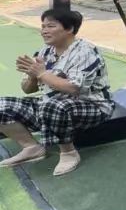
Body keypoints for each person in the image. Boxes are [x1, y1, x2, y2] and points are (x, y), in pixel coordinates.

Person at [0, 10, 114, 176]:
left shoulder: (85, 51)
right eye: (43, 26)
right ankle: (31, 148)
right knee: (2, 106)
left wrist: (41, 73)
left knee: (52, 106)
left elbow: (73, 88)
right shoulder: (45, 52)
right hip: (50, 104)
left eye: (51, 26)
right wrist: (32, 76)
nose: (44, 31)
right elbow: (28, 89)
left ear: (70, 29)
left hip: (92, 106)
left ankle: (68, 153)